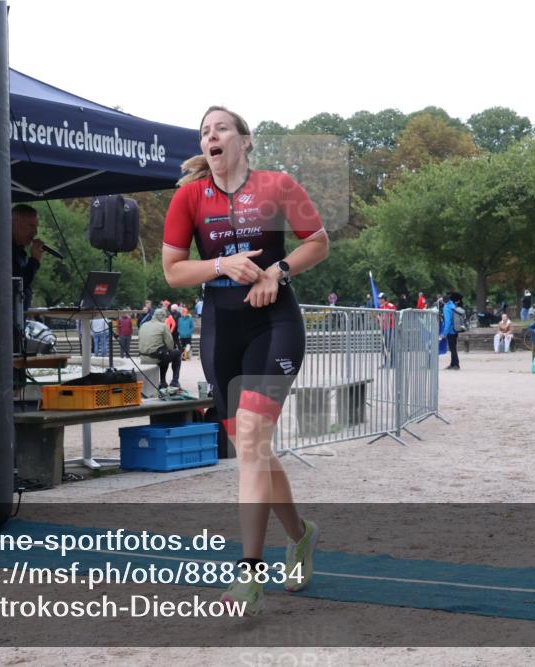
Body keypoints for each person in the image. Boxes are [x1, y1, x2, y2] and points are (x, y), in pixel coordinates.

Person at [162, 106, 329, 615]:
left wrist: (276, 270)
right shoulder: (189, 197)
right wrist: (219, 264)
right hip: (221, 331)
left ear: (245, 140)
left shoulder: (276, 185)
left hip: (275, 325)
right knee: (252, 448)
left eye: (222, 128)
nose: (212, 136)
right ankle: (301, 535)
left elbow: (319, 243)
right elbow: (172, 272)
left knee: (254, 442)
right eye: (205, 132)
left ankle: (249, 574)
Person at [11, 204, 44, 310]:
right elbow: (17, 285)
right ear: (14, 224)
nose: (35, 232)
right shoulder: (5, 251)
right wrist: (34, 261)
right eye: (31, 226)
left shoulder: (21, 251)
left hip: (20, 318)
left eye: (36, 227)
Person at [138, 307, 181, 388]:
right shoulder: (163, 326)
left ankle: (163, 382)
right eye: (165, 317)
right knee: (176, 353)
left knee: (165, 353)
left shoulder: (143, 324)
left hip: (143, 357)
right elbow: (170, 345)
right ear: (162, 317)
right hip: (154, 357)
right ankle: (174, 381)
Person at [441, 293, 462, 370]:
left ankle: (456, 364)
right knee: (453, 348)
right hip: (456, 329)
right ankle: (453, 363)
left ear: (444, 301)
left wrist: (444, 333)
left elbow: (448, 321)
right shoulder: (452, 305)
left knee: (452, 348)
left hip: (450, 331)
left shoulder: (446, 308)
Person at [378, 292, 397, 367]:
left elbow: (394, 316)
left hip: (391, 328)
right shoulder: (381, 307)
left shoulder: (391, 306)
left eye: (380, 299)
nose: (379, 300)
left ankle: (393, 363)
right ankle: (386, 362)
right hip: (384, 328)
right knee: (383, 346)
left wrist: (386, 318)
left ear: (383, 299)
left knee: (391, 345)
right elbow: (379, 317)